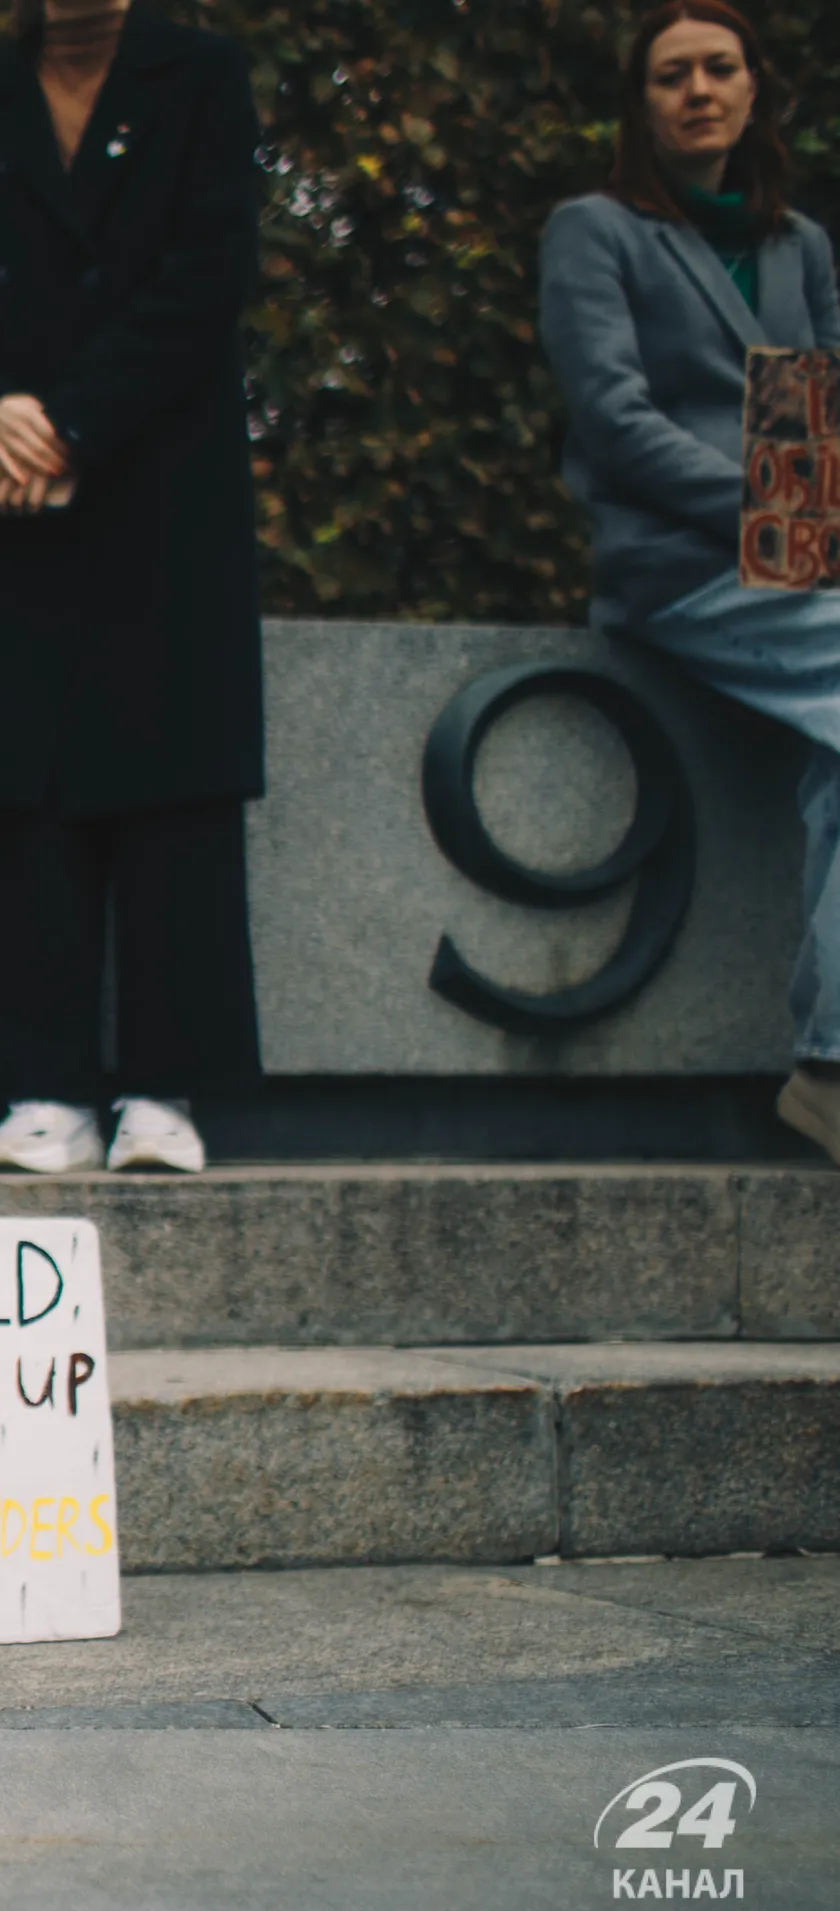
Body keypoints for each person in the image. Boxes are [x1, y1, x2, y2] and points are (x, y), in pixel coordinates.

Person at [0, 0, 264, 1176]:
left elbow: (211, 273)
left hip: (163, 493)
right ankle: (35, 1088)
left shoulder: (203, 76)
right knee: (14, 784)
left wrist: (70, 421)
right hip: (8, 494)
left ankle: (166, 1088)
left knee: (176, 785)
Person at [539, 1, 840, 1164]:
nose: (699, 90)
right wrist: (772, 517)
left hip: (797, 563)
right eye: (673, 75)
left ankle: (826, 1067)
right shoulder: (595, 230)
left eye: (721, 68)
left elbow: (819, 408)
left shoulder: (795, 246)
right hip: (678, 566)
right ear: (643, 102)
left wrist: (810, 525)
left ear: (755, 90)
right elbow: (614, 422)